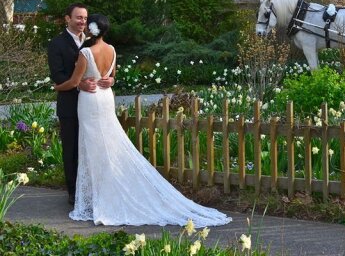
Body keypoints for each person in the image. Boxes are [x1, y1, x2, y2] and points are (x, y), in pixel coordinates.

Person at [53, 14, 231, 227]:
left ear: (91, 30)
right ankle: (105, 191)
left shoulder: (85, 53)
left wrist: (56, 86)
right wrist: (108, 80)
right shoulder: (111, 50)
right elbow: (111, 76)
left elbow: (73, 81)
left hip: (90, 100)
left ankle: (101, 195)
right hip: (105, 97)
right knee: (108, 144)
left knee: (93, 147)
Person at [48, 3, 113, 205]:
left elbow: (106, 71)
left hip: (93, 105)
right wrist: (78, 86)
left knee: (95, 146)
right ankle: (74, 192)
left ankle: (95, 188)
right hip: (70, 105)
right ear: (67, 18)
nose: (82, 21)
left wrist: (111, 80)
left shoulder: (93, 41)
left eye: (85, 18)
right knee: (73, 149)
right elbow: (57, 76)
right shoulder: (56, 44)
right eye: (78, 17)